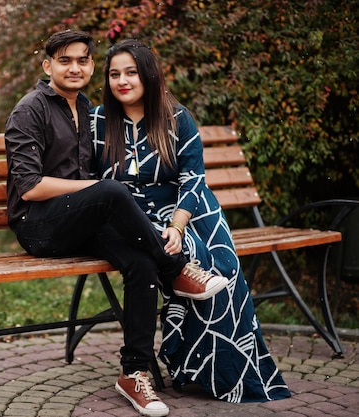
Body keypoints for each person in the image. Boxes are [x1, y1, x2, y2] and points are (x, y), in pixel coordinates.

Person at [5, 30, 228, 417]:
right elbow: (28, 187)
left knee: (140, 263)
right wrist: (98, 187)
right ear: (47, 66)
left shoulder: (89, 110)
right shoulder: (30, 109)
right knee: (112, 190)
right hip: (39, 226)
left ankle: (134, 373)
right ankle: (175, 269)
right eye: (64, 61)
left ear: (91, 66)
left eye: (82, 61)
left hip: (81, 222)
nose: (75, 68)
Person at [90, 39, 292, 403]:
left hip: (187, 209)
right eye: (115, 73)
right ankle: (189, 363)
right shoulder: (99, 121)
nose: (123, 81)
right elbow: (92, 185)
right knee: (178, 260)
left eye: (131, 72)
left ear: (148, 75)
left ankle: (220, 368)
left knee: (216, 264)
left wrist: (179, 225)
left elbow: (193, 178)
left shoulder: (176, 117)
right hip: (130, 215)